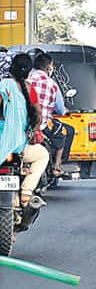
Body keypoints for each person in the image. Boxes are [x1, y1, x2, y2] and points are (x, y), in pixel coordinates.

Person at [0, 54, 51, 211]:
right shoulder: (30, 89)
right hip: (20, 148)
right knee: (43, 155)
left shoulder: (3, 85)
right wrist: (30, 133)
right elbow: (38, 117)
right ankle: (26, 193)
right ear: (29, 72)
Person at [29, 52, 75, 178]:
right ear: (49, 67)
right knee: (66, 131)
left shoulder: (26, 79)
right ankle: (56, 166)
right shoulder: (51, 84)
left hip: (24, 123)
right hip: (41, 125)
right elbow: (60, 110)